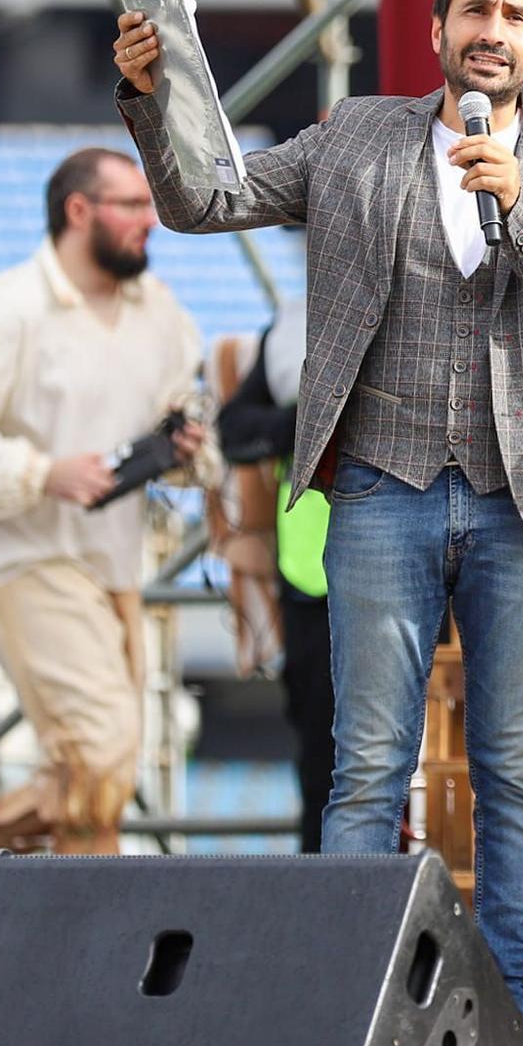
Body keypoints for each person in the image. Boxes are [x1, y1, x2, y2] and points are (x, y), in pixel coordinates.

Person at [112, 0, 523, 1046]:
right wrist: (151, 99)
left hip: (519, 496)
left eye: (514, 15)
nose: (491, 30)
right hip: (382, 486)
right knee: (366, 772)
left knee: (510, 774)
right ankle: (331, 1035)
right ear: (438, 29)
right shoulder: (353, 135)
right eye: (472, 11)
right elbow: (206, 201)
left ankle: (502, 1044)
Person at [0, 146, 217, 972]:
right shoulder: (5, 310)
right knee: (103, 748)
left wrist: (180, 444)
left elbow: (184, 409)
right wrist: (42, 472)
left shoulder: (159, 312)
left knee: (98, 765)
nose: (151, 220)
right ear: (79, 211)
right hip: (24, 553)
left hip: (113, 559)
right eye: (131, 205)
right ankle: (97, 972)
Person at [215, 292, 335, 853]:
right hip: (314, 583)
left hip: (424, 583)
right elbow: (235, 428)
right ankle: (330, 925)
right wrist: (308, 422)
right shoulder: (297, 320)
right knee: (324, 773)